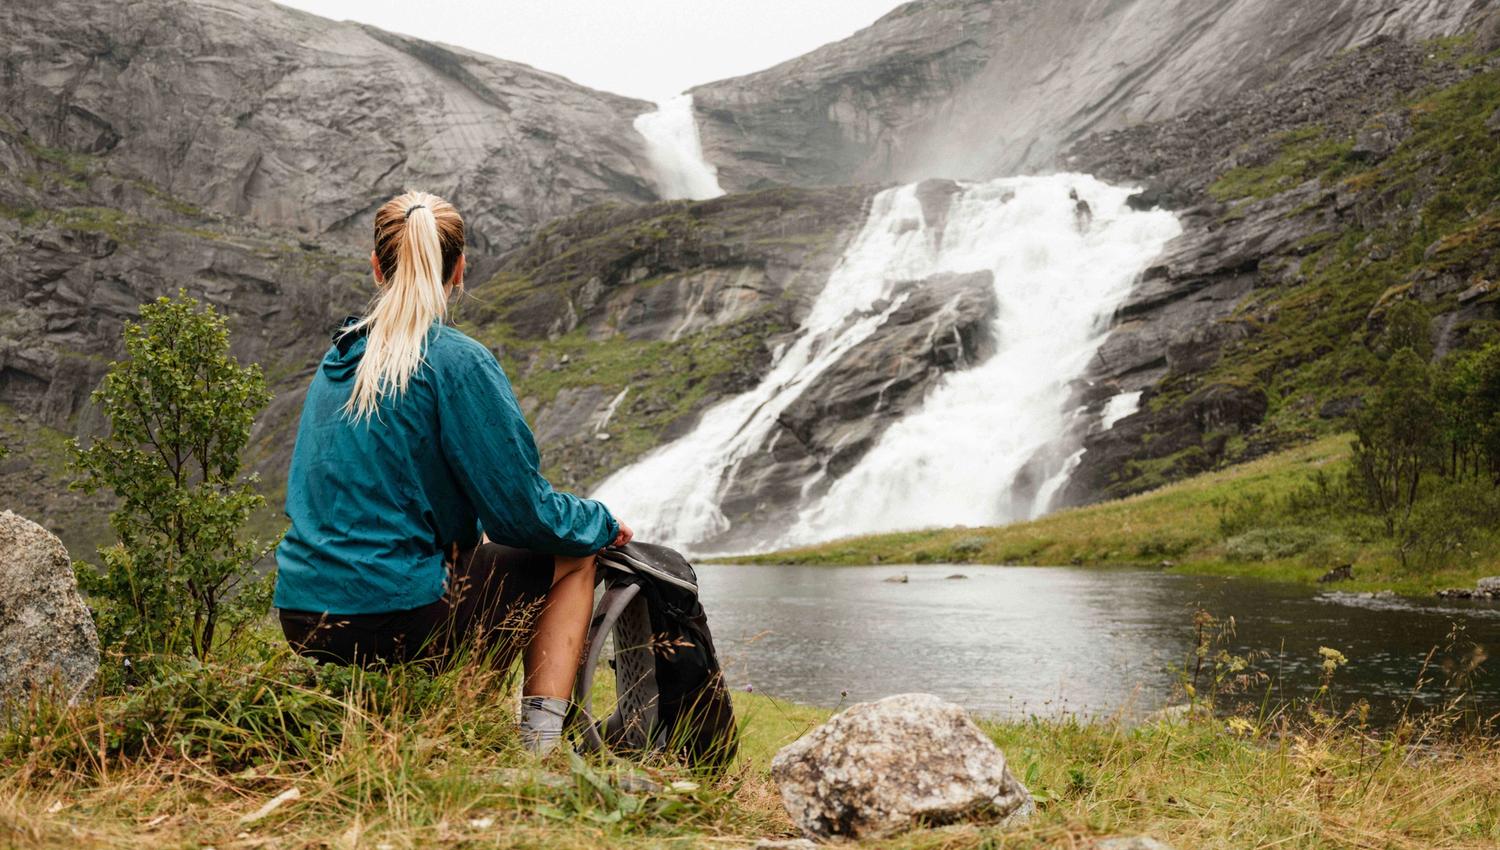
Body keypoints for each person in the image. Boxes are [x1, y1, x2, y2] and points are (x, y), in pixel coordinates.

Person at [272, 190, 631, 756]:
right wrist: (599, 519)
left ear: (376, 267)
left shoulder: (339, 357)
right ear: (460, 269)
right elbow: (523, 516)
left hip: (301, 614)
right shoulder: (455, 359)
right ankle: (538, 751)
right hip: (393, 616)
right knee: (575, 555)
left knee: (473, 562)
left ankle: (441, 725)